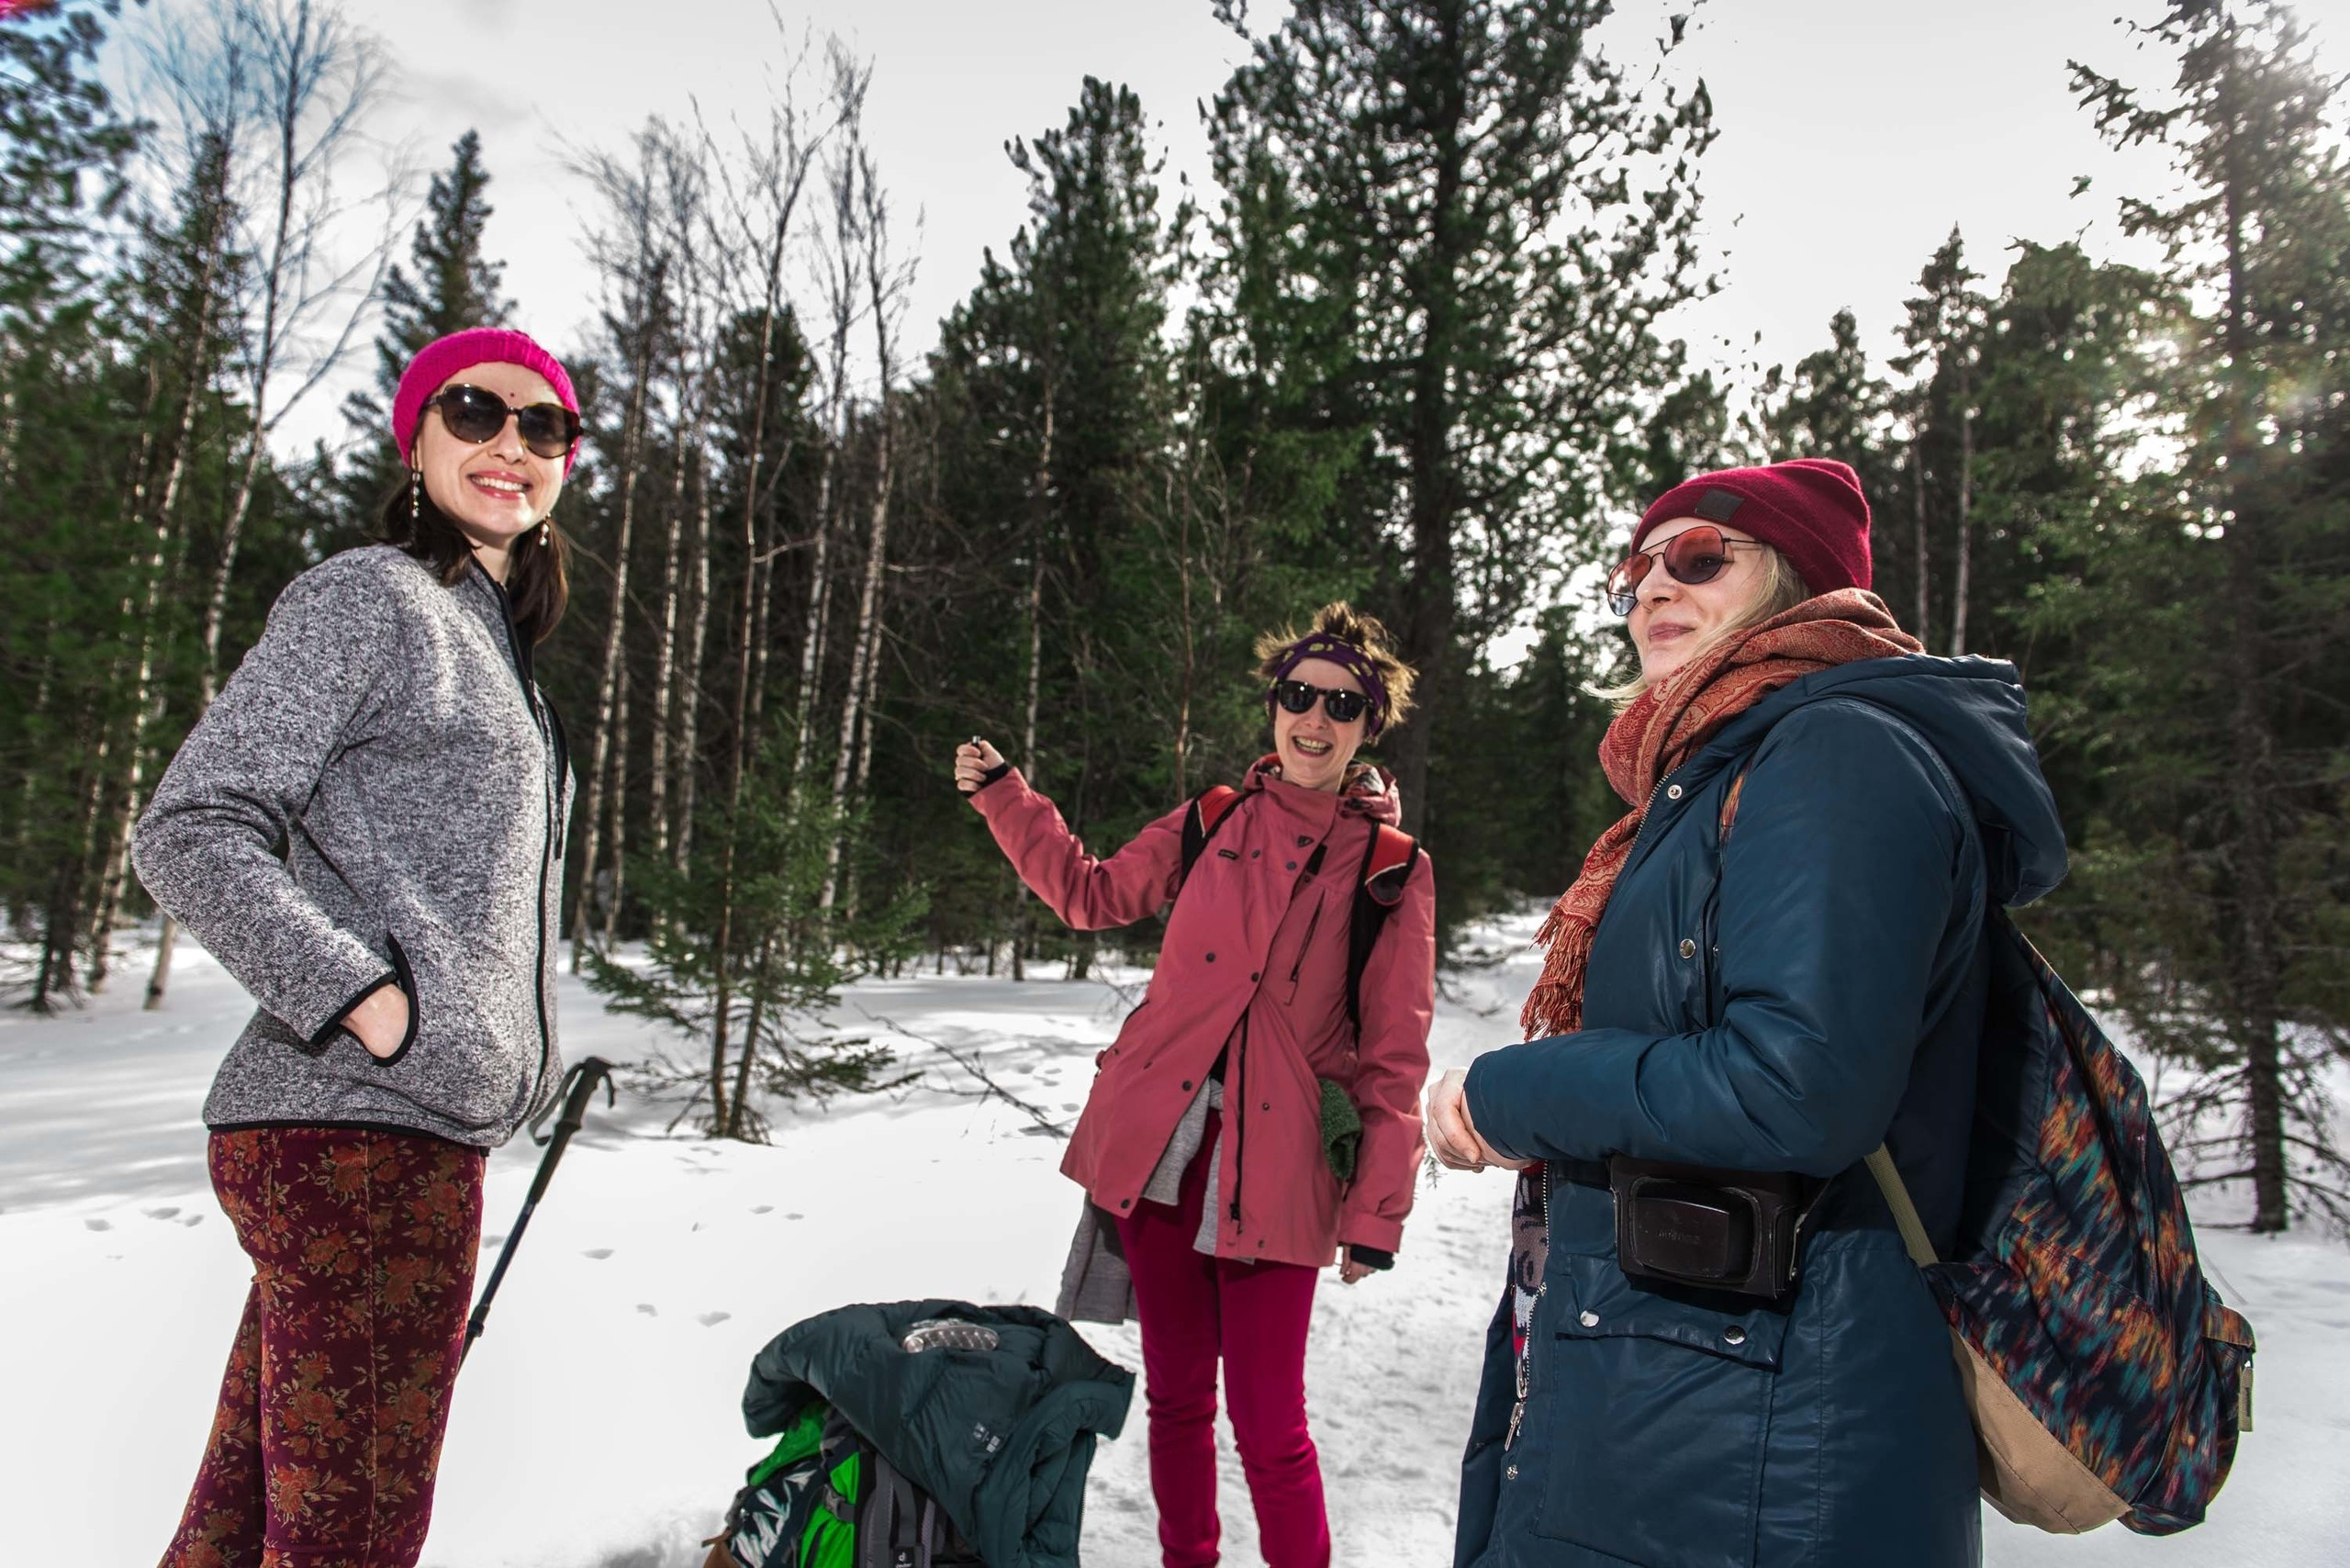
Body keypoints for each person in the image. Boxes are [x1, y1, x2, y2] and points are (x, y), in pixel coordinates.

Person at [1426, 459, 2066, 1568]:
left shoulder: (1835, 752)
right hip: (1694, 1402)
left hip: (1761, 1438)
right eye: (1636, 570)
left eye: (1698, 558)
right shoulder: (1731, 767)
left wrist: (1510, 1092)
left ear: (1801, 583)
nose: (1651, 590)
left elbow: (1794, 1084)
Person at [135, 327, 583, 1568]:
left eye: (540, 426)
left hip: (384, 1140)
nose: (509, 443)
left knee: (243, 1524)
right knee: (350, 1546)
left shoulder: (494, 643)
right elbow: (192, 828)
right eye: (475, 412)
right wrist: (370, 1003)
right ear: (417, 437)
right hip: (358, 1137)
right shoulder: (374, 597)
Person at [954, 603, 1438, 1568]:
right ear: (1273, 706)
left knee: (1269, 1423)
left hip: (1284, 1163)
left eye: (1342, 705)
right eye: (1298, 696)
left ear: (1367, 725)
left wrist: (1375, 1212)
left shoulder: (1392, 870)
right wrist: (1009, 796)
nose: (1315, 718)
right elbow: (1090, 893)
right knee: (1176, 1396)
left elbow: (1394, 1059)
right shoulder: (1212, 819)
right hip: (1164, 1150)